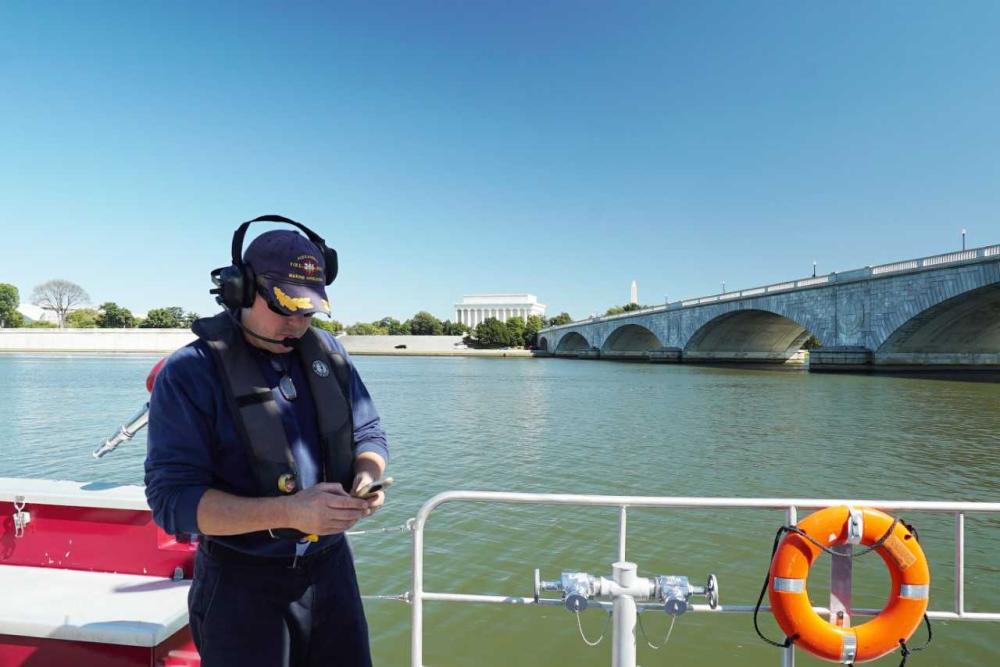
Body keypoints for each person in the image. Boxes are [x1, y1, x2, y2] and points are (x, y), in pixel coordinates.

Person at [144, 216, 388, 667]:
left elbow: (369, 433)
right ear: (240, 289)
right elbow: (171, 501)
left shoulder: (330, 356)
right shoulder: (190, 373)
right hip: (242, 587)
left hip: (332, 575)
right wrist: (289, 512)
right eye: (283, 308)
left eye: (308, 311)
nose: (296, 324)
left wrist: (365, 478)